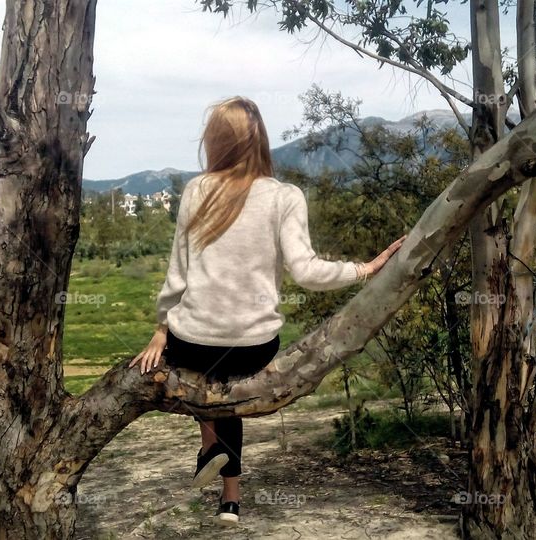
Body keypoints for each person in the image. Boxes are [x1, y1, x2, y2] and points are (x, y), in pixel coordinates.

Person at [129, 96, 405, 526]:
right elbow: (307, 271)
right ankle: (230, 501)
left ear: (216, 142)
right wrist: (364, 269)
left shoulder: (195, 191)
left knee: (203, 369)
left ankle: (210, 452)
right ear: (261, 142)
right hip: (255, 346)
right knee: (226, 392)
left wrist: (161, 330)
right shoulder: (285, 197)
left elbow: (176, 275)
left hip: (193, 344)